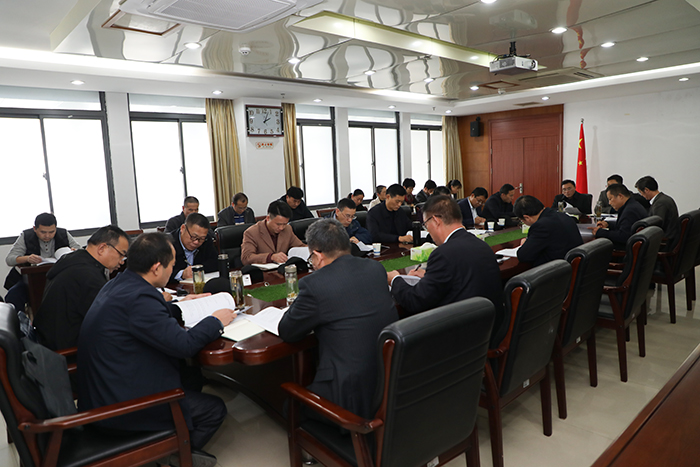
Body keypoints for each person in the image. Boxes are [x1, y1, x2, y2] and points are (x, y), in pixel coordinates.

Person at [77, 232, 235, 467]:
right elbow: (185, 345)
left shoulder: (121, 283)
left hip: (104, 388)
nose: (172, 270)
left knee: (191, 376)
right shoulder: (140, 298)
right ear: (156, 267)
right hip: (119, 407)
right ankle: (169, 454)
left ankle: (172, 439)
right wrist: (215, 321)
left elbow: (144, 315)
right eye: (171, 265)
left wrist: (182, 305)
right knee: (214, 409)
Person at [278, 219, 397, 420]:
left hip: (346, 399)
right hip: (387, 383)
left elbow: (288, 331)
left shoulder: (315, 285)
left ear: (318, 255)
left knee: (289, 406)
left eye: (311, 258)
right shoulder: (375, 269)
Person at [387, 195, 504, 320]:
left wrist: (395, 279)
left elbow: (416, 301)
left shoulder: (443, 254)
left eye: (426, 225)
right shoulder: (482, 245)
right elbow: (461, 272)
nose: (428, 231)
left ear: (436, 220)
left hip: (462, 327)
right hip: (490, 322)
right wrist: (429, 275)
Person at [33, 225, 129, 350]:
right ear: (102, 248)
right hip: (67, 349)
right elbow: (108, 321)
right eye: (121, 255)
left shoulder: (75, 259)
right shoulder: (88, 276)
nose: (122, 261)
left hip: (48, 340)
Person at [4, 212, 80, 313]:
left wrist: (75, 252)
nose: (47, 236)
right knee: (13, 295)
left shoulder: (63, 233)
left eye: (52, 232)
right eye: (43, 232)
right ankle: (20, 322)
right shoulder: (26, 236)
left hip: (60, 277)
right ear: (35, 228)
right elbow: (9, 259)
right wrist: (27, 258)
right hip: (31, 280)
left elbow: (80, 251)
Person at [513, 195, 583, 267]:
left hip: (557, 270)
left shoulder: (541, 226)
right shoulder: (564, 216)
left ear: (527, 217)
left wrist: (525, 243)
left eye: (522, 221)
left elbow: (523, 256)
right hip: (573, 267)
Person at [241, 200, 305, 265]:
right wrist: (270, 257)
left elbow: (300, 246)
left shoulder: (287, 229)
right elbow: (246, 258)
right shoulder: (251, 233)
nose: (281, 228)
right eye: (278, 224)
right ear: (268, 218)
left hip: (283, 268)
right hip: (262, 270)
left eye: (284, 224)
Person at [170, 213, 218, 281]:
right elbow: (160, 272)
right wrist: (181, 274)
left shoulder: (206, 240)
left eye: (201, 239)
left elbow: (215, 262)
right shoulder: (167, 244)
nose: (196, 242)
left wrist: (196, 269)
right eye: (193, 237)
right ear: (183, 228)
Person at [635, 175, 680, 248]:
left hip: (666, 241)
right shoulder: (663, 198)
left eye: (641, 192)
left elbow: (656, 226)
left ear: (646, 190)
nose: (641, 195)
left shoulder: (660, 203)